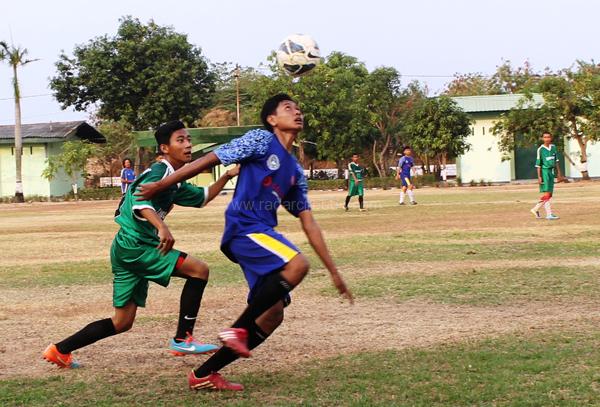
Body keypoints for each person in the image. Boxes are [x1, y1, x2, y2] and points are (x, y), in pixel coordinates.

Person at [136, 94, 353, 391]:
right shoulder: (260, 140)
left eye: (299, 108)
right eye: (288, 108)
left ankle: (204, 374)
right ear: (272, 120)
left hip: (260, 235)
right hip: (244, 228)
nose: (297, 111)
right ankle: (237, 329)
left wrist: (334, 272)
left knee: (272, 315)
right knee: (297, 264)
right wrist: (163, 184)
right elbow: (212, 158)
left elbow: (308, 221)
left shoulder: (292, 169)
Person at [43, 120, 238, 369]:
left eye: (189, 139)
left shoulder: (175, 179)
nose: (188, 144)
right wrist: (161, 226)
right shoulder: (160, 171)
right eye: (181, 140)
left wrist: (228, 175)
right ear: (165, 148)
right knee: (199, 270)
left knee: (122, 322)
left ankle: (59, 350)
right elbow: (138, 200)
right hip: (137, 245)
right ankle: (182, 339)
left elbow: (202, 198)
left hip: (126, 247)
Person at [530, 132, 563, 220]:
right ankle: (549, 214)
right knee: (547, 193)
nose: (547, 139)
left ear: (551, 138)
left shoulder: (553, 147)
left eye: (548, 137)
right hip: (545, 172)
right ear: (542, 138)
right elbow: (538, 165)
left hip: (551, 172)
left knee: (549, 194)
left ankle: (535, 209)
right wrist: (539, 176)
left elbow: (556, 160)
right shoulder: (540, 149)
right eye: (545, 137)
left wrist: (559, 173)